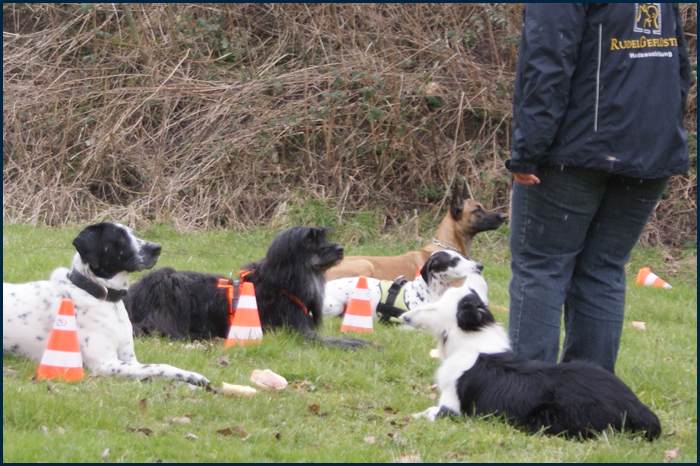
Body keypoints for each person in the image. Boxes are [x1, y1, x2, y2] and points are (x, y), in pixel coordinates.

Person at [505, 3, 690, 373]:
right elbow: (680, 67)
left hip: (577, 151)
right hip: (653, 147)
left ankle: (526, 390)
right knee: (603, 269)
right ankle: (589, 395)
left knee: (542, 266)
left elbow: (546, 64)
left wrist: (527, 151)